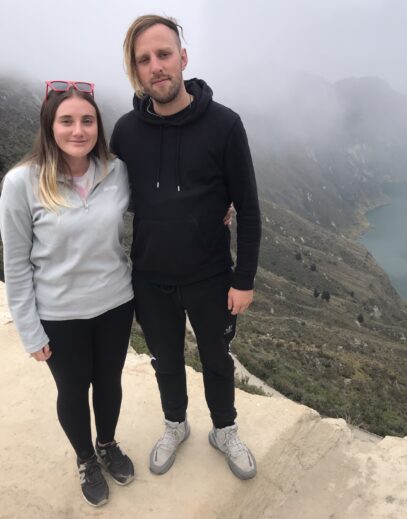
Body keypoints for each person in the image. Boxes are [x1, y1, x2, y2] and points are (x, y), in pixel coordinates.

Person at [110, 14, 262, 481]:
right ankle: (175, 424)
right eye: (144, 60)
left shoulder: (225, 124)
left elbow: (249, 209)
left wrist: (244, 281)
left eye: (164, 54)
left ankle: (224, 429)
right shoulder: (125, 132)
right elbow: (111, 202)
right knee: (166, 360)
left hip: (211, 275)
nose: (156, 66)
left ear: (183, 58)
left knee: (217, 359)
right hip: (150, 276)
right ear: (136, 71)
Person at [0, 81, 135, 507]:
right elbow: (16, 263)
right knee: (73, 390)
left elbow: (160, 206)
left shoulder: (116, 172)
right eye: (67, 121)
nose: (78, 130)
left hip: (115, 303)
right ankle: (85, 458)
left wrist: (218, 208)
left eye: (87, 120)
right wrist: (30, 331)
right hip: (59, 314)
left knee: (109, 382)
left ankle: (107, 443)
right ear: (49, 125)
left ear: (98, 126)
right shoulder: (21, 183)